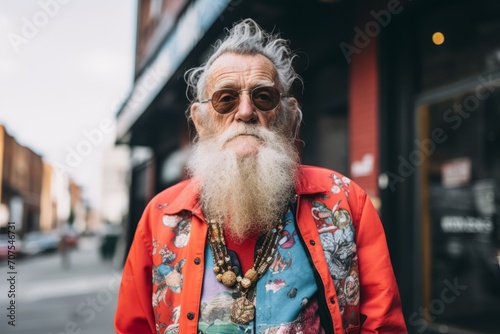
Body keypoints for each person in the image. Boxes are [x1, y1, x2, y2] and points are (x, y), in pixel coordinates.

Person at [115, 18, 407, 334]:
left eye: (263, 97)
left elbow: (382, 326)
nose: (245, 112)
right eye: (225, 98)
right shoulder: (160, 216)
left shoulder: (346, 201)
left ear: (288, 116)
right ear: (200, 121)